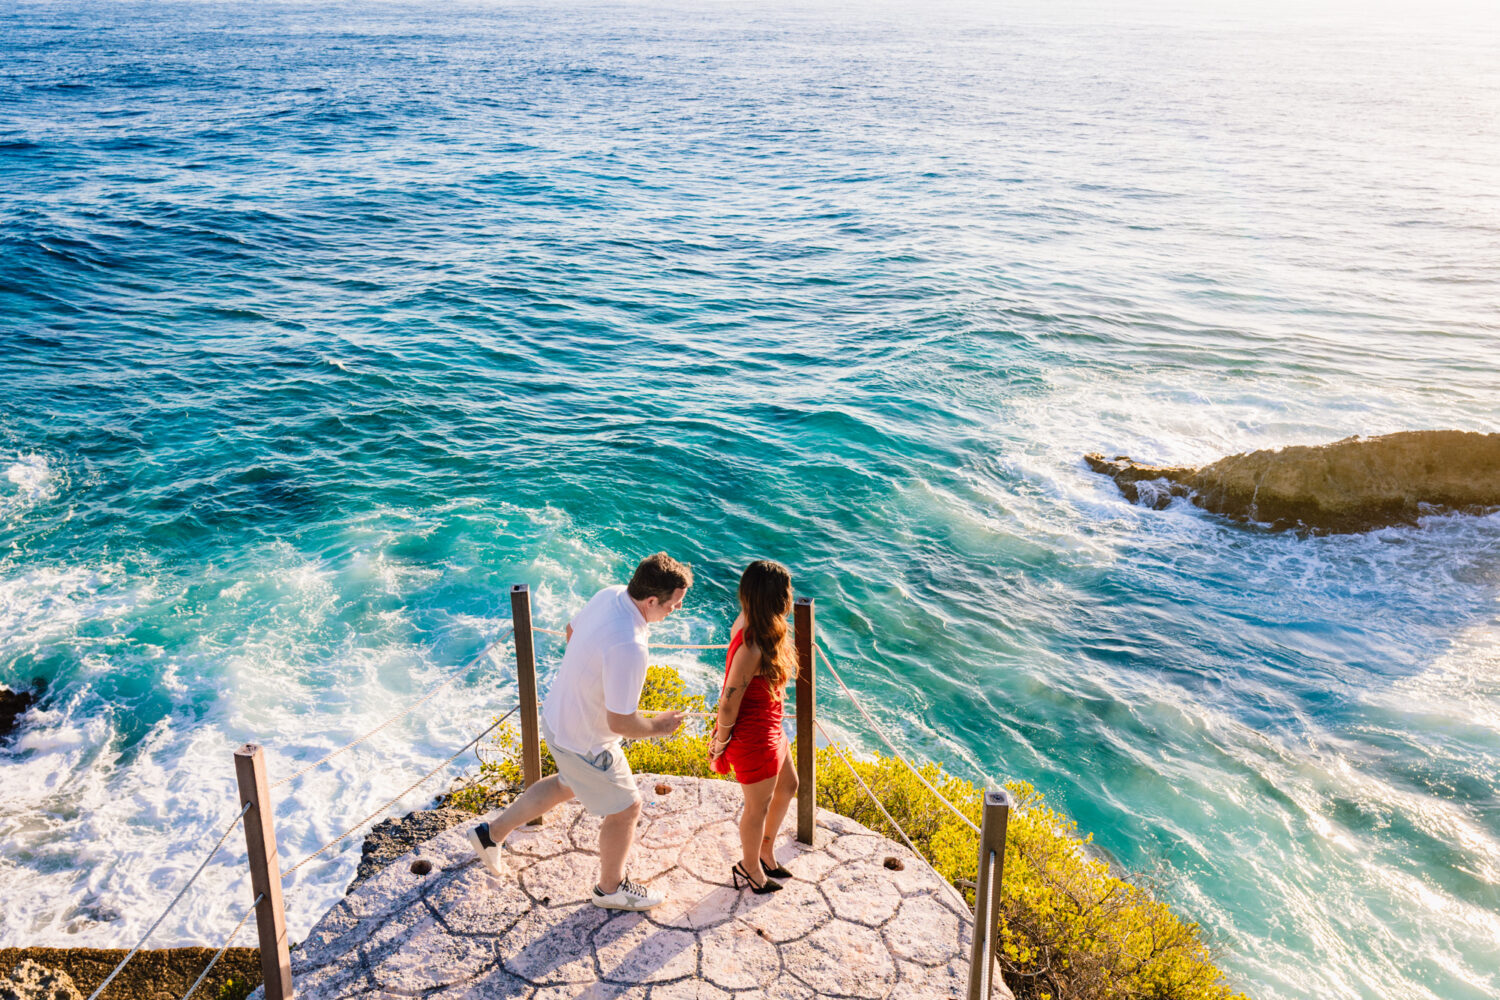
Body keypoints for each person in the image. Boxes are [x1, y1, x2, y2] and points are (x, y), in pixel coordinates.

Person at [468, 552, 690, 910]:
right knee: (627, 808)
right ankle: (610, 889)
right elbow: (621, 723)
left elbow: (572, 632)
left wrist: (590, 678)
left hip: (559, 718)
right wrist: (660, 727)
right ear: (652, 600)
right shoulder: (630, 645)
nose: (675, 610)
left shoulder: (611, 594)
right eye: (674, 604)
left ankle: (488, 835)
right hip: (587, 741)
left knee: (565, 784)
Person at [709, 559, 799, 894]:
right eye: (786, 591)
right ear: (776, 598)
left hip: (772, 725)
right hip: (754, 735)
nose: (791, 596)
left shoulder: (763, 627)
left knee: (788, 786)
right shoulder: (753, 645)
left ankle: (764, 851)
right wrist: (721, 742)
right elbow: (729, 701)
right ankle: (749, 868)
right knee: (757, 806)